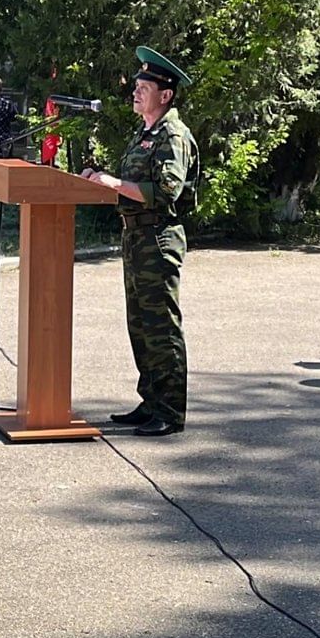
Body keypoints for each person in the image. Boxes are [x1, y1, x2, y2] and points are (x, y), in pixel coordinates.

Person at [82, 46, 199, 437]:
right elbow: (131, 185)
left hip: (158, 238)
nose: (135, 91)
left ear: (165, 95)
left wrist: (116, 183)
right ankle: (150, 402)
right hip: (135, 237)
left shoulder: (173, 135)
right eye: (136, 84)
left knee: (161, 325)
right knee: (140, 325)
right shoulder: (145, 132)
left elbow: (167, 190)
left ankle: (169, 411)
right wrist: (100, 182)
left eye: (143, 86)